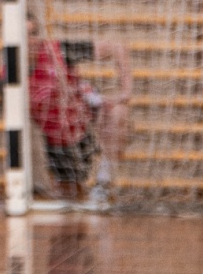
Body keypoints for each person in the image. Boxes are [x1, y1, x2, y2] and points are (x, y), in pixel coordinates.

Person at [24, 21, 133, 204]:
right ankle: (65, 181)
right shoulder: (8, 77)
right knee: (69, 199)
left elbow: (118, 47)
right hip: (56, 141)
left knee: (118, 112)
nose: (29, 40)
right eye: (23, 35)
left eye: (33, 34)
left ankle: (104, 182)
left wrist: (126, 92)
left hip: (82, 124)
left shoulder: (58, 51)